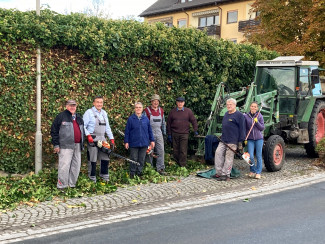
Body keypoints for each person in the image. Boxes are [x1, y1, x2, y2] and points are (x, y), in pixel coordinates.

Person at [51, 99, 84, 191]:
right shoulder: (61, 116)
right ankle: (62, 186)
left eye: (74, 105)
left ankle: (72, 185)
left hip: (77, 146)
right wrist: (56, 145)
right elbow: (54, 131)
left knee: (76, 166)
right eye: (70, 105)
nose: (72, 107)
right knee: (64, 166)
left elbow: (82, 131)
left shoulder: (79, 117)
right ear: (66, 106)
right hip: (65, 146)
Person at [83, 96, 115, 183]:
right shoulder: (89, 113)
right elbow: (83, 126)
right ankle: (92, 179)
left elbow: (107, 127)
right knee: (92, 159)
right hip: (92, 139)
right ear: (93, 103)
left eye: (101, 102)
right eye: (97, 102)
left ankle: (104, 177)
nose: (99, 104)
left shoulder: (104, 113)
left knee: (105, 157)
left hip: (102, 138)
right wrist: (88, 135)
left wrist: (111, 138)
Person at [214, 98, 245, 181]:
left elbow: (242, 129)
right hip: (223, 139)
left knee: (229, 158)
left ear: (235, 105)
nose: (229, 106)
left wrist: (240, 142)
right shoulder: (226, 114)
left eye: (230, 104)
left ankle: (226, 175)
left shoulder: (239, 115)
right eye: (227, 104)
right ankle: (219, 173)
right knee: (218, 153)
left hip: (233, 140)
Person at [124, 102, 155, 178]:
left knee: (141, 159)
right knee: (133, 159)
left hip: (144, 143)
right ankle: (132, 173)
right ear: (134, 109)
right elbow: (127, 131)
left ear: (142, 109)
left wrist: (152, 140)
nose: (138, 109)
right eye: (136, 107)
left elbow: (149, 130)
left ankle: (139, 173)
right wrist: (126, 142)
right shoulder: (131, 119)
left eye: (139, 107)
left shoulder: (146, 119)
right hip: (134, 143)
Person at [167, 97, 198, 167]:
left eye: (181, 102)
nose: (180, 103)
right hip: (175, 133)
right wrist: (169, 134)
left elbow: (193, 121)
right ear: (176, 103)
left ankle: (182, 165)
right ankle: (176, 164)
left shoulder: (188, 111)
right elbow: (168, 123)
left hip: (184, 134)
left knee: (183, 150)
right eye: (178, 102)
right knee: (175, 150)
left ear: (184, 103)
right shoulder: (172, 112)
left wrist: (195, 129)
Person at [144, 94, 167, 175]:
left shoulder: (161, 110)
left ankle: (160, 168)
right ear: (151, 102)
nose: (156, 102)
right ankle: (149, 169)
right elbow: (144, 123)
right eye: (154, 101)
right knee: (150, 151)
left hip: (159, 133)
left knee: (161, 151)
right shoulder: (146, 111)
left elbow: (163, 123)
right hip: (150, 134)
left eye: (157, 101)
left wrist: (164, 134)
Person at [244, 101, 265, 179]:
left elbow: (262, 128)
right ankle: (252, 170)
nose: (253, 108)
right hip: (250, 139)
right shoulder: (246, 116)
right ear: (250, 107)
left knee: (259, 156)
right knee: (250, 156)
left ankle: (258, 172)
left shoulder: (259, 116)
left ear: (257, 108)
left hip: (259, 139)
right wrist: (245, 138)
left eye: (255, 107)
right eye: (252, 106)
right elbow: (245, 128)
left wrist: (257, 122)